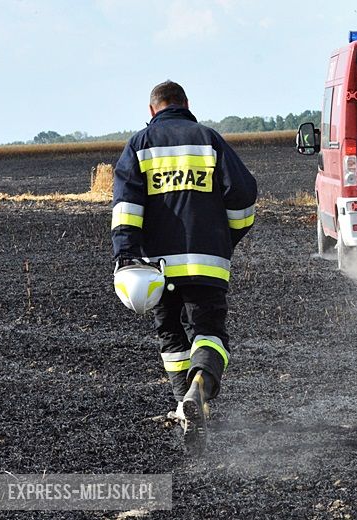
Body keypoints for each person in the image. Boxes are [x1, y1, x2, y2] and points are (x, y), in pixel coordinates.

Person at [111, 80, 257, 454]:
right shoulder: (208, 139)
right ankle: (197, 394)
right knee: (209, 333)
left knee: (172, 339)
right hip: (208, 262)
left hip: (156, 269)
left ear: (151, 110)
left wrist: (126, 257)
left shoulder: (139, 145)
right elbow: (242, 195)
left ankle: (183, 405)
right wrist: (227, 239)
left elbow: (127, 208)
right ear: (186, 103)